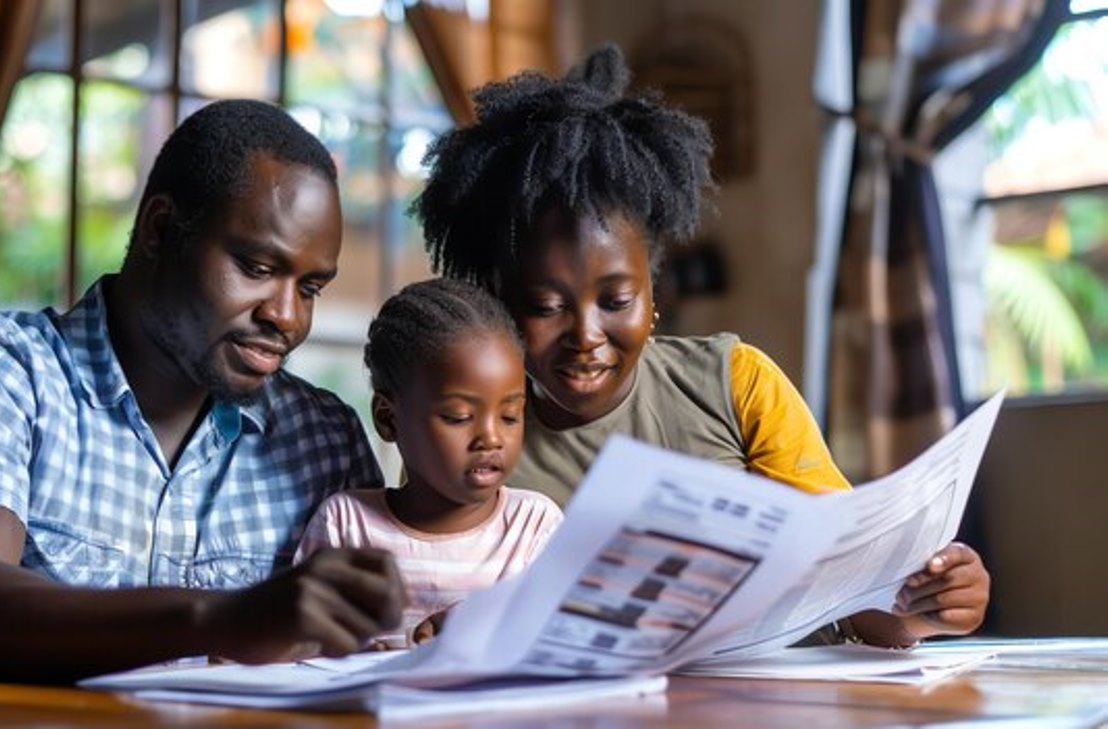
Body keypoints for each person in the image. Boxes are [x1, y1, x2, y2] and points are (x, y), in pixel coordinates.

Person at [412, 45, 990, 649]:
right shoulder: (466, 431)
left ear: (652, 295)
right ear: (501, 305)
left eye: (615, 301)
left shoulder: (735, 384)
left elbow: (857, 600)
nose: (586, 334)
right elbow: (428, 606)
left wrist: (932, 603)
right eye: (546, 306)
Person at [0, 100, 405, 683]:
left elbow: (365, 657)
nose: (287, 317)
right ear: (160, 229)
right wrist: (220, 617)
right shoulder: (7, 372)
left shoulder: (324, 439)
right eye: (256, 267)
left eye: (310, 288)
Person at [294, 278, 563, 649]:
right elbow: (301, 643)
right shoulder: (346, 524)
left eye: (510, 416)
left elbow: (562, 645)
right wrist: (360, 658)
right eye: (457, 417)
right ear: (388, 419)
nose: (491, 437)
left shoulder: (535, 528)